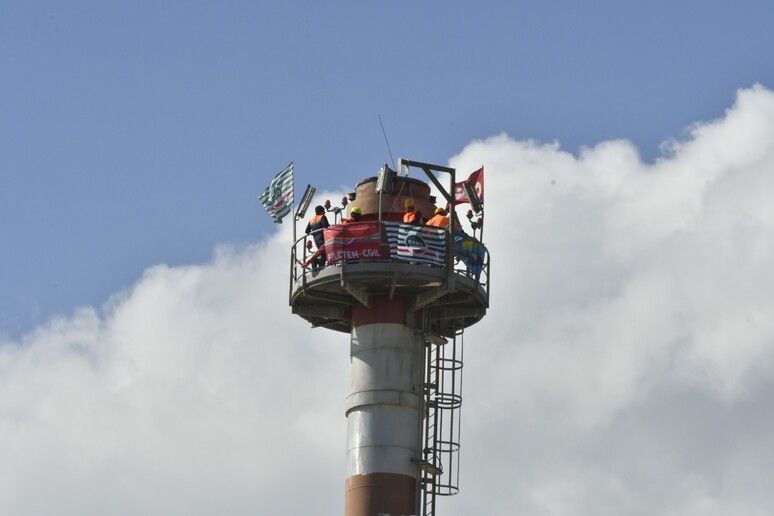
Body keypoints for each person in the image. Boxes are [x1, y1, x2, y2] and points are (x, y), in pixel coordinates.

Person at [305, 205, 330, 270]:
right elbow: (326, 226)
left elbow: (306, 231)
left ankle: (317, 264)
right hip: (323, 239)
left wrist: (314, 232)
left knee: (322, 254)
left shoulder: (311, 220)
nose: (324, 212)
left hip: (316, 240)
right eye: (323, 211)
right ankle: (318, 265)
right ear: (321, 211)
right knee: (324, 255)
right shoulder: (322, 217)